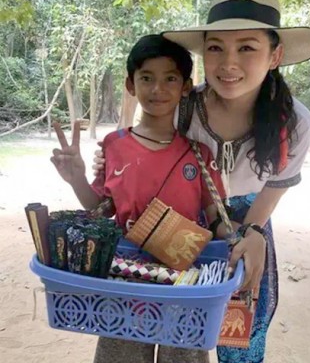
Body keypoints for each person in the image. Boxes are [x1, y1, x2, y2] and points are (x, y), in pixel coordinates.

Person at [94, 0, 310, 362]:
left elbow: (276, 185)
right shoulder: (184, 107)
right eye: (216, 48)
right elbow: (145, 153)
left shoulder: (296, 122)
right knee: (175, 329)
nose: (228, 63)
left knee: (242, 335)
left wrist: (250, 233)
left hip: (251, 221)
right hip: (180, 224)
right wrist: (107, 166)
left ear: (275, 55)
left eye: (247, 48)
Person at [51, 34, 230, 362]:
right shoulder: (113, 145)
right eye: (146, 78)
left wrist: (239, 240)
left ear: (186, 87)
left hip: (185, 287)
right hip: (122, 283)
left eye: (170, 79)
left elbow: (217, 219)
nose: (158, 89)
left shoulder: (199, 155)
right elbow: (100, 209)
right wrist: (76, 177)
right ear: (131, 85)